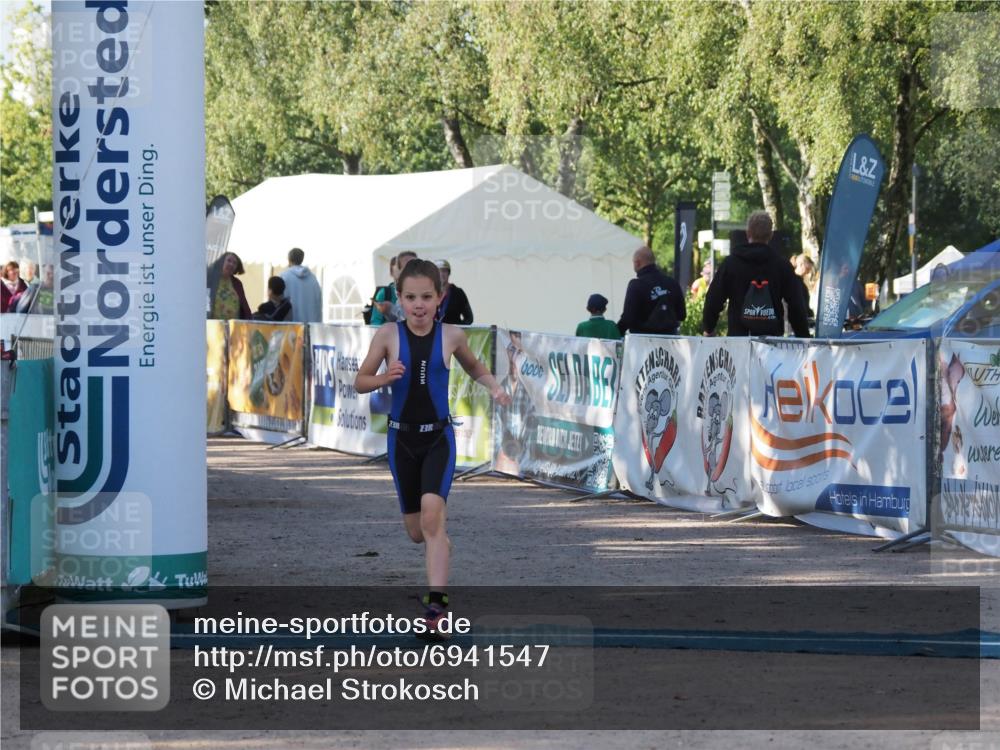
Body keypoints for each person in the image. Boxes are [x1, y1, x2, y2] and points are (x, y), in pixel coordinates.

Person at [354, 259, 511, 636]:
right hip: (401, 440)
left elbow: (474, 366)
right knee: (417, 531)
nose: (419, 304)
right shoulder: (388, 335)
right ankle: (439, 542)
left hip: (438, 438)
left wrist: (494, 386)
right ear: (399, 299)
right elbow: (360, 381)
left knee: (431, 516)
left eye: (426, 296)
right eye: (411, 297)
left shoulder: (452, 335)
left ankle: (437, 609)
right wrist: (382, 378)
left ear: (440, 298)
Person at [702, 211, 810, 338]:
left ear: (748, 233)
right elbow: (796, 304)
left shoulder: (731, 264)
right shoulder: (782, 266)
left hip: (738, 340)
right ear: (770, 235)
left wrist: (708, 328)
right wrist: (803, 336)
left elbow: (713, 299)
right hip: (771, 342)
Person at [617, 246, 686, 335]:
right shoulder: (672, 283)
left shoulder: (636, 285)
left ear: (637, 263)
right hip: (670, 341)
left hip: (643, 341)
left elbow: (628, 318)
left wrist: (615, 332)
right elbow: (682, 314)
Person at [371, 251, 417, 326]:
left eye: (415, 265)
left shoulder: (427, 290)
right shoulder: (387, 293)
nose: (412, 270)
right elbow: (375, 322)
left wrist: (390, 309)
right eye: (406, 267)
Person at [280, 247, 323, 323]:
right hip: (310, 327)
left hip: (291, 329)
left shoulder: (284, 277)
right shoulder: (313, 279)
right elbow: (318, 304)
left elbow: (279, 303)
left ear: (289, 259)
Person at [207, 251, 252, 320]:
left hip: (233, 327)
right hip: (213, 326)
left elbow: (245, 307)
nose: (231, 264)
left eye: (234, 263)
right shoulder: (209, 278)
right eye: (229, 260)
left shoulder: (237, 283)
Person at [433, 260, 474, 325]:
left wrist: (457, 329)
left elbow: (469, 318)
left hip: (451, 333)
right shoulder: (428, 293)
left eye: (444, 271)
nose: (441, 274)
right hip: (434, 333)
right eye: (438, 271)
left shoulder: (458, 293)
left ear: (449, 273)